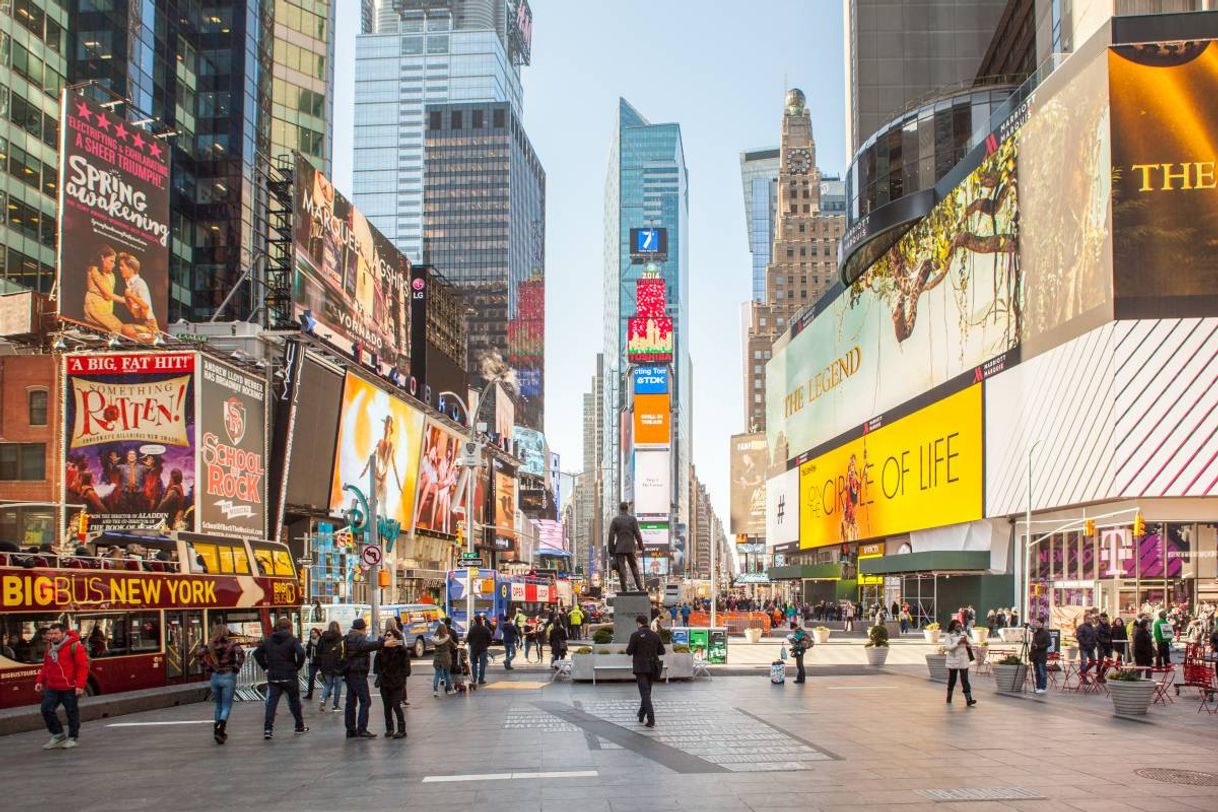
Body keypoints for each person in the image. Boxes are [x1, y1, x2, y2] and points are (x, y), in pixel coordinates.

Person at [35, 622, 89, 750]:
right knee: (46, 709)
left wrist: (80, 685)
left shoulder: (75, 646)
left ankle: (73, 738)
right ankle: (58, 735)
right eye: (51, 633)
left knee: (72, 713)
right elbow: (46, 665)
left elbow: (83, 667)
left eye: (55, 633)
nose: (52, 636)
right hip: (53, 686)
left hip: (69, 687)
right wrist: (39, 681)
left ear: (63, 633)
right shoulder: (50, 646)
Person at [253, 617, 308, 740]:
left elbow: (257, 653)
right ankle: (299, 726)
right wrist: (297, 666)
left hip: (274, 676)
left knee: (272, 703)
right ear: (289, 628)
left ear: (277, 628)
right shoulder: (292, 640)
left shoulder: (268, 641)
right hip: (289, 675)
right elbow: (301, 653)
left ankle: (268, 729)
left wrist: (266, 667)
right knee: (294, 701)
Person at [343, 618, 396, 738]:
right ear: (361, 629)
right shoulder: (357, 638)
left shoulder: (348, 637)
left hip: (349, 672)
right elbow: (366, 646)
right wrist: (383, 643)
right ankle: (362, 728)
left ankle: (350, 729)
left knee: (350, 701)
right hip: (358, 672)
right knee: (365, 700)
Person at [196, 622, 245, 744]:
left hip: (215, 676)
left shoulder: (210, 645)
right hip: (229, 676)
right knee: (226, 706)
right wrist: (236, 667)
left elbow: (198, 655)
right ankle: (220, 729)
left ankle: (216, 730)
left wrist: (208, 668)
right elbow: (241, 654)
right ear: (225, 632)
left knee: (218, 705)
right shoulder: (232, 643)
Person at [625, 614, 665, 727]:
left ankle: (651, 719)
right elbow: (662, 651)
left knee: (645, 694)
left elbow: (629, 651)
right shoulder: (655, 635)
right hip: (652, 668)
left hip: (640, 668)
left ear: (638, 623)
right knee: (646, 692)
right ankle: (641, 714)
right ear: (646, 622)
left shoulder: (635, 635)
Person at [374, 620, 409, 739]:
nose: (387, 637)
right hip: (385, 682)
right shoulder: (382, 650)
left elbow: (406, 668)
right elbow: (376, 666)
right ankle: (389, 728)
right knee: (387, 707)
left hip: (397, 682)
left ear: (395, 637)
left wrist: (401, 678)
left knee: (396, 705)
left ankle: (401, 729)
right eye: (386, 635)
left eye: (389, 635)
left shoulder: (401, 651)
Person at [606, 501, 645, 592]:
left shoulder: (615, 520)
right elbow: (637, 534)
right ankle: (640, 587)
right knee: (634, 567)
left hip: (620, 548)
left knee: (622, 569)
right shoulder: (632, 519)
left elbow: (611, 536)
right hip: (631, 547)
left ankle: (624, 589)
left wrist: (611, 549)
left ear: (620, 509)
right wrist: (641, 546)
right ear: (627, 508)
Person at [943, 619, 977, 707]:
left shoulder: (964, 633)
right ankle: (949, 696)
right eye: (957, 626)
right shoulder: (949, 635)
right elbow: (947, 648)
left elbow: (971, 644)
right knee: (952, 679)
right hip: (953, 660)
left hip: (963, 660)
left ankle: (969, 699)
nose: (959, 627)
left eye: (960, 626)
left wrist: (967, 642)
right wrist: (958, 643)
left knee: (965, 679)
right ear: (953, 626)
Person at [315, 620, 345, 712]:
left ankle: (323, 701)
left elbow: (318, 650)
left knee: (328, 684)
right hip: (337, 664)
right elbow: (343, 652)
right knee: (338, 685)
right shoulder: (340, 638)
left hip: (326, 665)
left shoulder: (323, 638)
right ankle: (335, 705)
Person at [431, 622, 458, 697]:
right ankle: (449, 690)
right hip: (446, 658)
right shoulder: (447, 637)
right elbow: (454, 645)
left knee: (437, 674)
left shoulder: (435, 638)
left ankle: (435, 691)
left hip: (437, 658)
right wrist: (455, 645)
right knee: (447, 674)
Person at [466, 614, 492, 686]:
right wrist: (486, 645)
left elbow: (468, 639)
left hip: (474, 649)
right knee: (482, 665)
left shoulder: (472, 629)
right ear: (481, 620)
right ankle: (481, 680)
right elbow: (490, 639)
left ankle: (474, 679)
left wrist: (472, 644)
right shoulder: (485, 629)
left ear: (474, 621)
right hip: (483, 649)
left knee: (473, 664)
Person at [1029, 617, 1051, 694]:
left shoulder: (1046, 633)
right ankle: (1038, 687)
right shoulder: (1035, 633)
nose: (1036, 624)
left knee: (1042, 672)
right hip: (1035, 655)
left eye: (1037, 622)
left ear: (1042, 623)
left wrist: (1039, 646)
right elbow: (1033, 643)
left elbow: (1049, 643)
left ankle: (1043, 687)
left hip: (1042, 655)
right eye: (1035, 622)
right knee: (1037, 672)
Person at [1076, 614, 1098, 680]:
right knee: (1084, 662)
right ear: (1085, 619)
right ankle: (1083, 677)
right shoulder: (1081, 627)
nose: (1090, 620)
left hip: (1091, 648)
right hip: (1084, 648)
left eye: (1091, 618)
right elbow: (1079, 637)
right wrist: (1086, 644)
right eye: (1089, 618)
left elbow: (1094, 637)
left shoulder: (1092, 627)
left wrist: (1094, 645)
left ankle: (1083, 672)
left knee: (1093, 662)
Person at [303, 628, 321, 700]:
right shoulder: (310, 642)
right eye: (311, 633)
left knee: (326, 678)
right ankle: (309, 694)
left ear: (317, 633)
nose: (313, 634)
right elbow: (307, 651)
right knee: (311, 678)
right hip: (312, 662)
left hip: (320, 661)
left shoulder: (321, 640)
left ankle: (328, 691)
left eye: (314, 632)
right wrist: (309, 656)